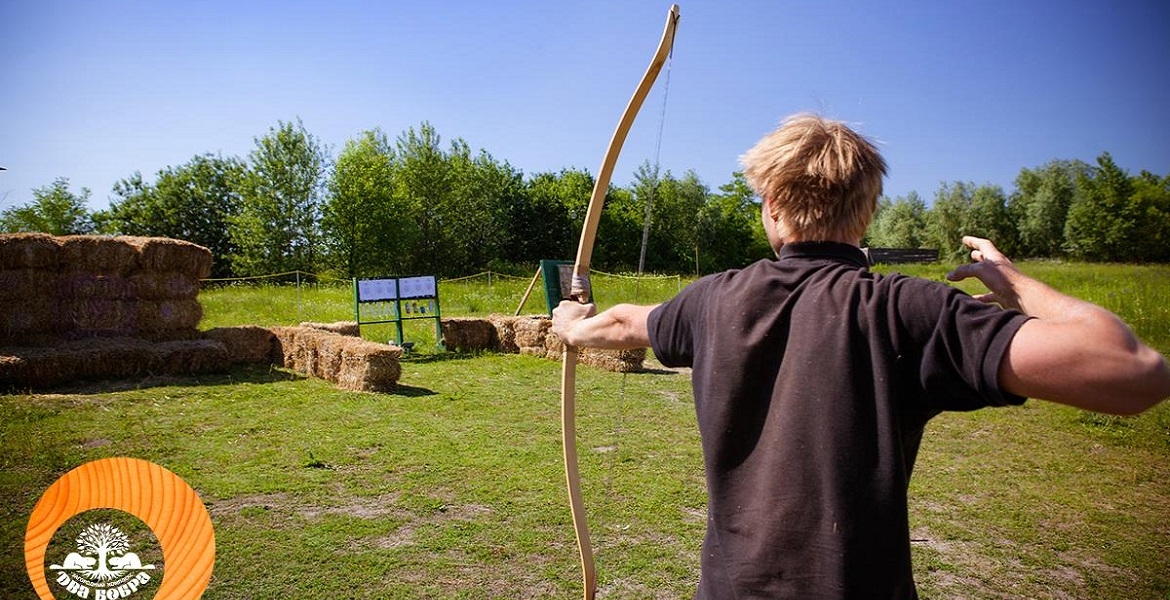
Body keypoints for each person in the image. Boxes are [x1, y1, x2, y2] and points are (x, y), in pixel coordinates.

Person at [551, 113, 1170, 599]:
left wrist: (574, 327)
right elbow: (1136, 371)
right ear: (867, 210)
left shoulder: (715, 300)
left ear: (770, 206)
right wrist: (1014, 285)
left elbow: (629, 322)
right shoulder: (910, 309)